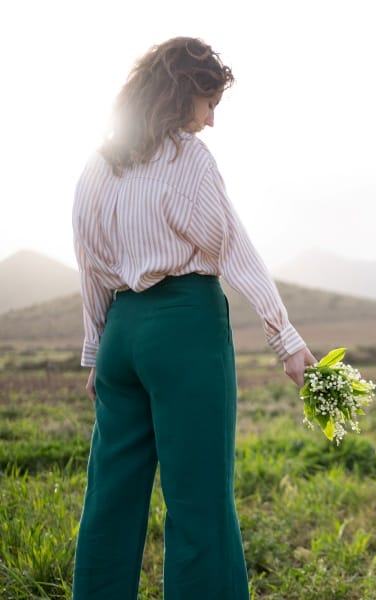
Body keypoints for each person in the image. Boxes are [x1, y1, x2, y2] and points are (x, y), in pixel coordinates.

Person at [71, 36, 316, 599]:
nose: (210, 121)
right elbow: (234, 249)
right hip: (184, 329)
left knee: (109, 498)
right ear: (182, 97)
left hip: (120, 337)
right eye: (209, 104)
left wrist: (96, 352)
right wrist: (286, 340)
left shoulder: (95, 167)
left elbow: (90, 266)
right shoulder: (187, 159)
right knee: (198, 499)